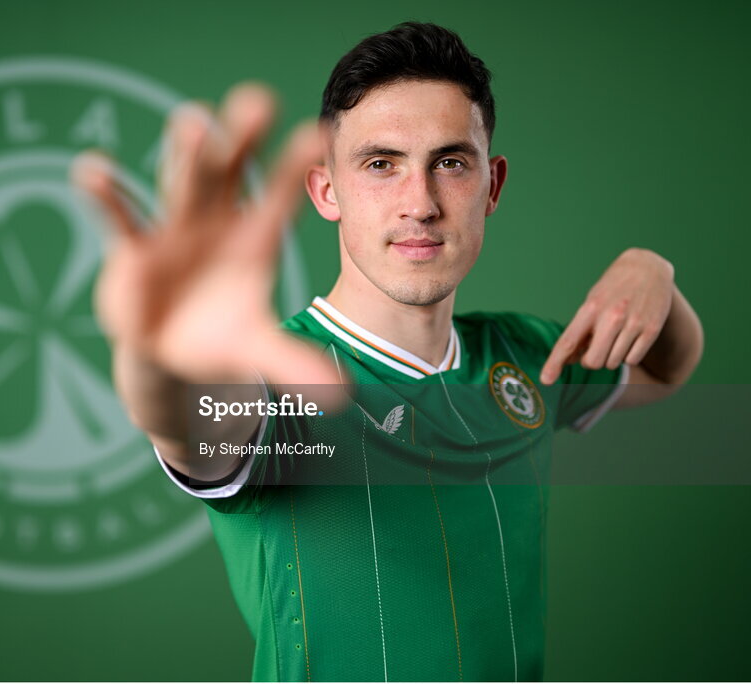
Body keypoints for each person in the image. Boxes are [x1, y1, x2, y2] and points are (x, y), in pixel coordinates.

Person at [73, 21, 703, 682]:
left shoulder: (525, 352)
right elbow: (184, 417)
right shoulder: (278, 382)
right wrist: (157, 353)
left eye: (450, 162)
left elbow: (666, 370)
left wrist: (654, 272)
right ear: (326, 191)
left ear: (492, 184)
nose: (421, 203)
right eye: (381, 164)